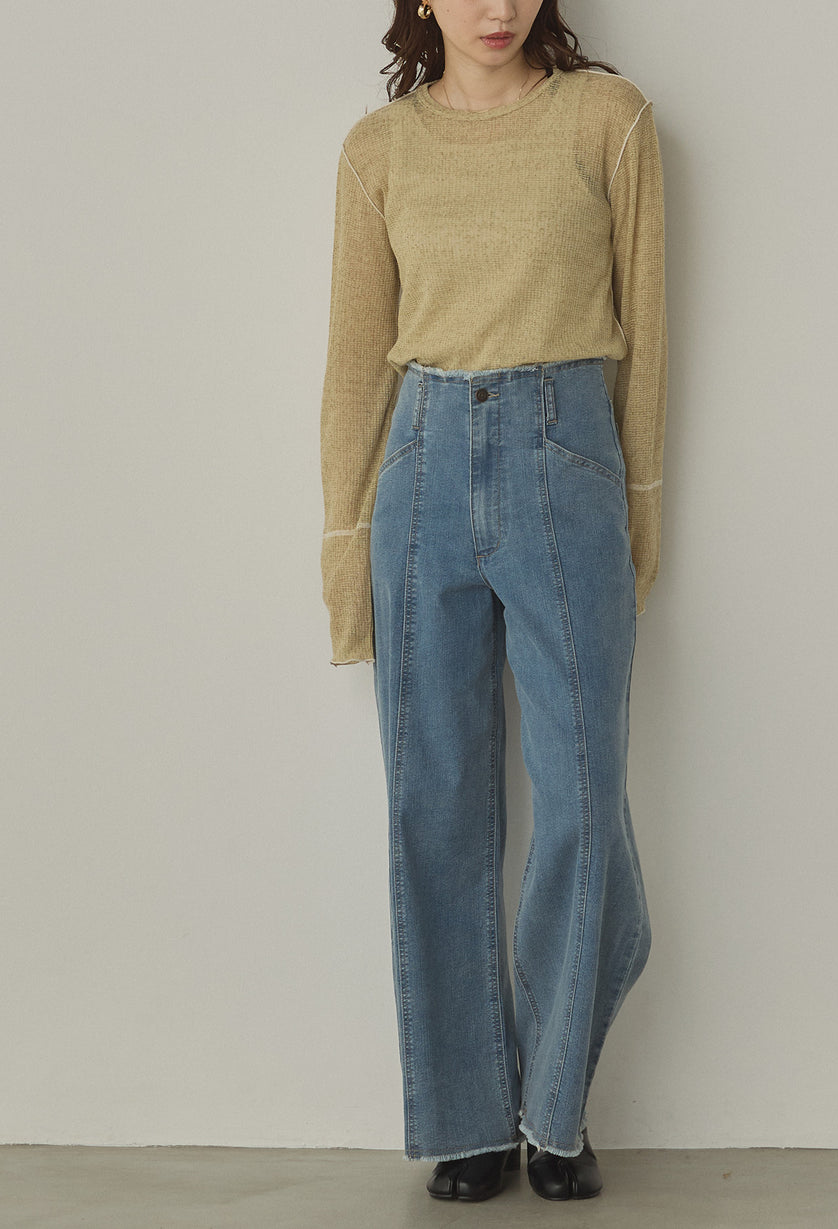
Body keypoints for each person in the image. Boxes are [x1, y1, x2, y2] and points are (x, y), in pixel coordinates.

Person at [318, 0, 667, 1204]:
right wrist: (342, 543)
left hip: (566, 454)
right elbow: (354, 359)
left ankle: (554, 1105)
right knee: (434, 800)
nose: (496, 6)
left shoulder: (608, 121)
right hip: (418, 465)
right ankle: (468, 1114)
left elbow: (647, 338)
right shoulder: (379, 149)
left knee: (582, 790)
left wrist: (641, 512)